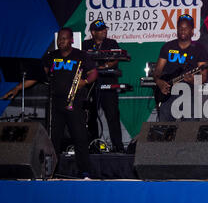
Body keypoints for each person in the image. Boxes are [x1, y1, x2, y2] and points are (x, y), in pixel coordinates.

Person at [2, 28, 98, 178]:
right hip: (55, 103)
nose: (61, 41)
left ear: (71, 40)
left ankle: (84, 171)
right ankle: (51, 170)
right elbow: (37, 76)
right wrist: (17, 88)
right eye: (59, 39)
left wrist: (84, 81)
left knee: (80, 137)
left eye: (64, 38)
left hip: (74, 102)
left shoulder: (80, 55)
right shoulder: (51, 57)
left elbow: (93, 72)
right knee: (53, 139)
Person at [153, 14, 208, 121]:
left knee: (190, 131)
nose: (182, 30)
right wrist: (159, 82)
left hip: (190, 94)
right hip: (168, 95)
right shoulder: (168, 47)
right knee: (164, 130)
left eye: (186, 28)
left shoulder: (199, 49)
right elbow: (158, 71)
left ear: (192, 31)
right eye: (180, 28)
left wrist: (192, 80)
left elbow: (203, 77)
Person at [83, 20, 125, 152]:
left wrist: (103, 67)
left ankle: (118, 147)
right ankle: (93, 146)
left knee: (112, 116)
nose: (104, 31)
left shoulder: (111, 43)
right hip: (91, 85)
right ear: (93, 32)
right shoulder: (86, 45)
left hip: (108, 82)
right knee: (91, 117)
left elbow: (116, 59)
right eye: (101, 30)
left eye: (105, 29)